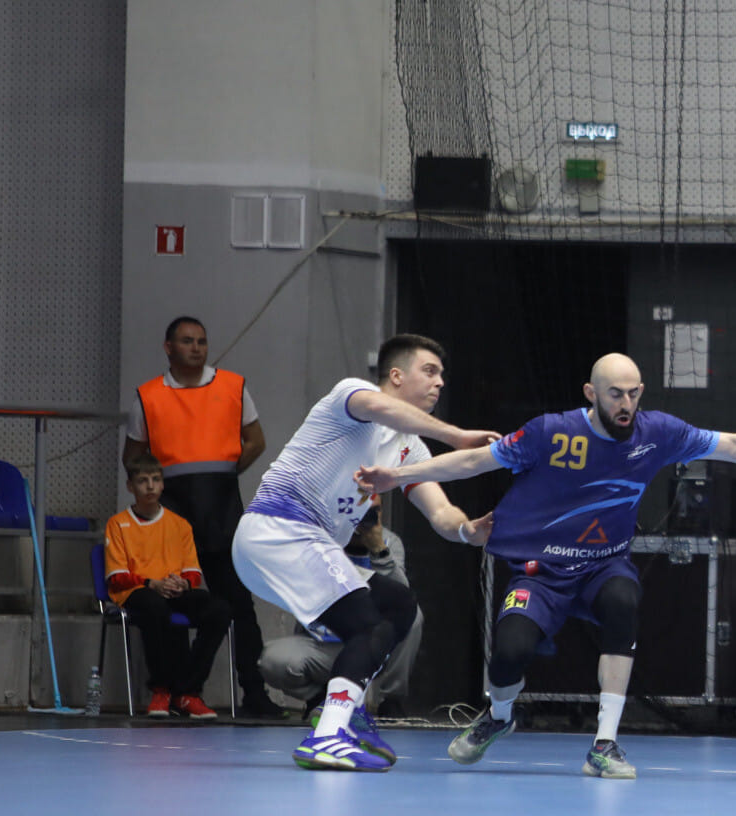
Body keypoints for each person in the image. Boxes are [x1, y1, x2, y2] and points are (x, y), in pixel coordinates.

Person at [357, 353, 736, 779]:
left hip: (603, 566)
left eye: (632, 394)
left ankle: (604, 744)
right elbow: (473, 461)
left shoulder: (658, 433)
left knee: (623, 600)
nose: (625, 405)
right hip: (541, 572)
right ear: (590, 393)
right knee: (509, 654)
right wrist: (397, 476)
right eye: (615, 394)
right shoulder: (550, 432)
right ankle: (499, 715)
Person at [234, 334, 497, 771]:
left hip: (306, 547)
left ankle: (347, 711)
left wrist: (469, 531)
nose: (439, 382)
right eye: (429, 371)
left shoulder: (410, 448)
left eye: (442, 375)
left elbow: (440, 511)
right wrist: (455, 435)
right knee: (368, 624)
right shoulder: (352, 396)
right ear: (396, 375)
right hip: (280, 531)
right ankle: (327, 735)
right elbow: (380, 406)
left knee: (397, 603)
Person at [124, 316, 275, 718]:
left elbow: (256, 440)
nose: (197, 348)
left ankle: (255, 694)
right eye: (188, 341)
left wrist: (222, 475)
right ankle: (177, 691)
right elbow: (133, 457)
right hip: (172, 516)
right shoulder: (148, 397)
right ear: (168, 347)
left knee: (238, 605)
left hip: (221, 512)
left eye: (202, 342)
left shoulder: (233, 387)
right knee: (172, 601)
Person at [257, 495, 422, 719]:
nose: (367, 517)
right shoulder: (318, 540)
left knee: (414, 617)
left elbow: (404, 600)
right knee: (273, 660)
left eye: (375, 511)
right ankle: (319, 699)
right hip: (325, 644)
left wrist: (378, 550)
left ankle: (390, 700)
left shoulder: (389, 541)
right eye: (360, 510)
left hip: (375, 644)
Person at [103, 455, 233, 719]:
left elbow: (193, 572)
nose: (150, 486)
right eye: (143, 481)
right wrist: (151, 583)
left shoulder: (179, 524)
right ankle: (161, 689)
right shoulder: (117, 524)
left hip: (173, 589)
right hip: (138, 591)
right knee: (155, 607)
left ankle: (187, 691)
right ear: (130, 486)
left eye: (155, 479)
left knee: (219, 610)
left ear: (163, 484)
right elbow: (116, 577)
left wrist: (183, 583)